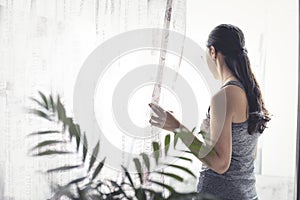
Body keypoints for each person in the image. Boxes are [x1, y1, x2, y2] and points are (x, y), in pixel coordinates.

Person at [148, 24, 271, 200]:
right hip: (247, 195)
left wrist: (177, 127)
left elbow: (221, 164)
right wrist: (209, 137)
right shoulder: (249, 93)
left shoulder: (224, 97)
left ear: (213, 51)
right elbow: (248, 155)